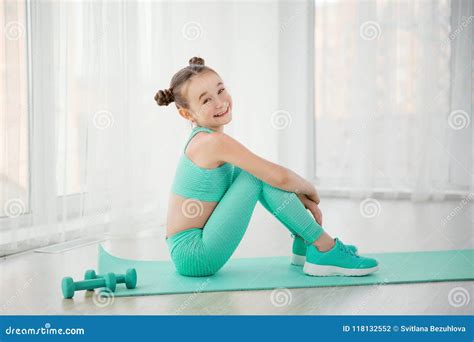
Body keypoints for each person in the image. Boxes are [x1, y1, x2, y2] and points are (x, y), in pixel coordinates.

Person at [155, 56, 379, 277]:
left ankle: (305, 242)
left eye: (221, 90)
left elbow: (268, 180)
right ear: (186, 113)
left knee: (254, 173)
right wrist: (308, 189)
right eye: (206, 100)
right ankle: (324, 247)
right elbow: (277, 177)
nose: (220, 102)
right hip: (194, 255)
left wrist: (294, 195)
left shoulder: (207, 139)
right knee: (257, 175)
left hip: (191, 250)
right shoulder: (211, 142)